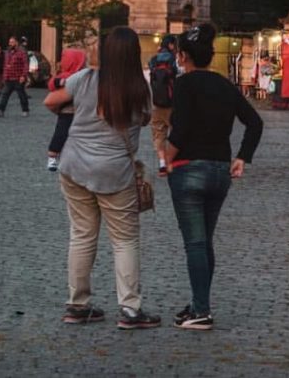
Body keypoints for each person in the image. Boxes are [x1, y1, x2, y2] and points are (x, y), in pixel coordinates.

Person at [44, 26, 160, 329]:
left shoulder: (84, 79)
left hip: (74, 165)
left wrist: (73, 109)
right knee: (124, 241)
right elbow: (146, 118)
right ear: (135, 54)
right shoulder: (140, 89)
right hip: (114, 172)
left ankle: (78, 305)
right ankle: (131, 309)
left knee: (81, 235)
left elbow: (50, 101)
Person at [165, 23, 263, 330]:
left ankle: (202, 311)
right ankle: (198, 303)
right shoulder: (225, 85)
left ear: (182, 56)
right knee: (205, 241)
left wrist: (165, 157)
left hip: (188, 168)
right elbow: (255, 122)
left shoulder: (184, 85)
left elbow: (179, 130)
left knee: (195, 243)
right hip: (220, 169)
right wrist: (242, 156)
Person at [46, 48, 88, 172]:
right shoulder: (64, 76)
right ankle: (52, 156)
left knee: (78, 137)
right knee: (61, 133)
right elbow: (52, 84)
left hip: (79, 112)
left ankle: (76, 158)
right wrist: (61, 82)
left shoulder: (84, 75)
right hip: (68, 111)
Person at [148, 34, 178, 175]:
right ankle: (172, 162)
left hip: (156, 103)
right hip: (173, 104)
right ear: (171, 45)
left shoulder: (153, 60)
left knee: (159, 134)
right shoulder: (175, 60)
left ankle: (162, 165)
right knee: (176, 132)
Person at [0, 36, 30, 117]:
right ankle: (0, 110)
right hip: (9, 77)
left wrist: (23, 75)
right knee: (5, 94)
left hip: (18, 77)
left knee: (21, 94)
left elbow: (26, 64)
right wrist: (5, 76)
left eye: (12, 42)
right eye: (9, 42)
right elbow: (5, 64)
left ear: (16, 42)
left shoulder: (22, 52)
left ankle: (25, 110)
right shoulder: (8, 52)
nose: (10, 44)